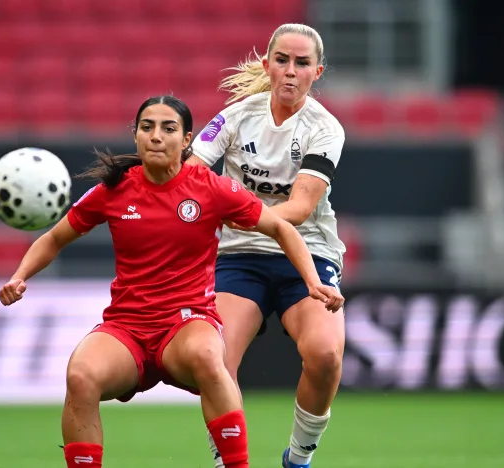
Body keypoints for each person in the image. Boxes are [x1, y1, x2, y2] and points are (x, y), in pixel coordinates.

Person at [0, 95, 342, 468]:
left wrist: (311, 280)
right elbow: (54, 238)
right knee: (80, 374)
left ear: (187, 139)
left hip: (186, 322)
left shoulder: (211, 187)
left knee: (211, 358)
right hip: (126, 328)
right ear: (136, 137)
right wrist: (20, 276)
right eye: (147, 128)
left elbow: (279, 227)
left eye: (168, 128)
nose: (156, 136)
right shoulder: (113, 191)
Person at [186, 23, 347, 468]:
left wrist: (224, 211)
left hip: (307, 250)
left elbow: (298, 208)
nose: (290, 71)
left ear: (318, 71)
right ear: (267, 64)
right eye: (282, 60)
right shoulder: (236, 117)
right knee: (214, 358)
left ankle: (297, 459)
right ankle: (228, 460)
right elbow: (190, 173)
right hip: (240, 254)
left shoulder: (325, 129)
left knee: (326, 354)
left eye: (301, 63)